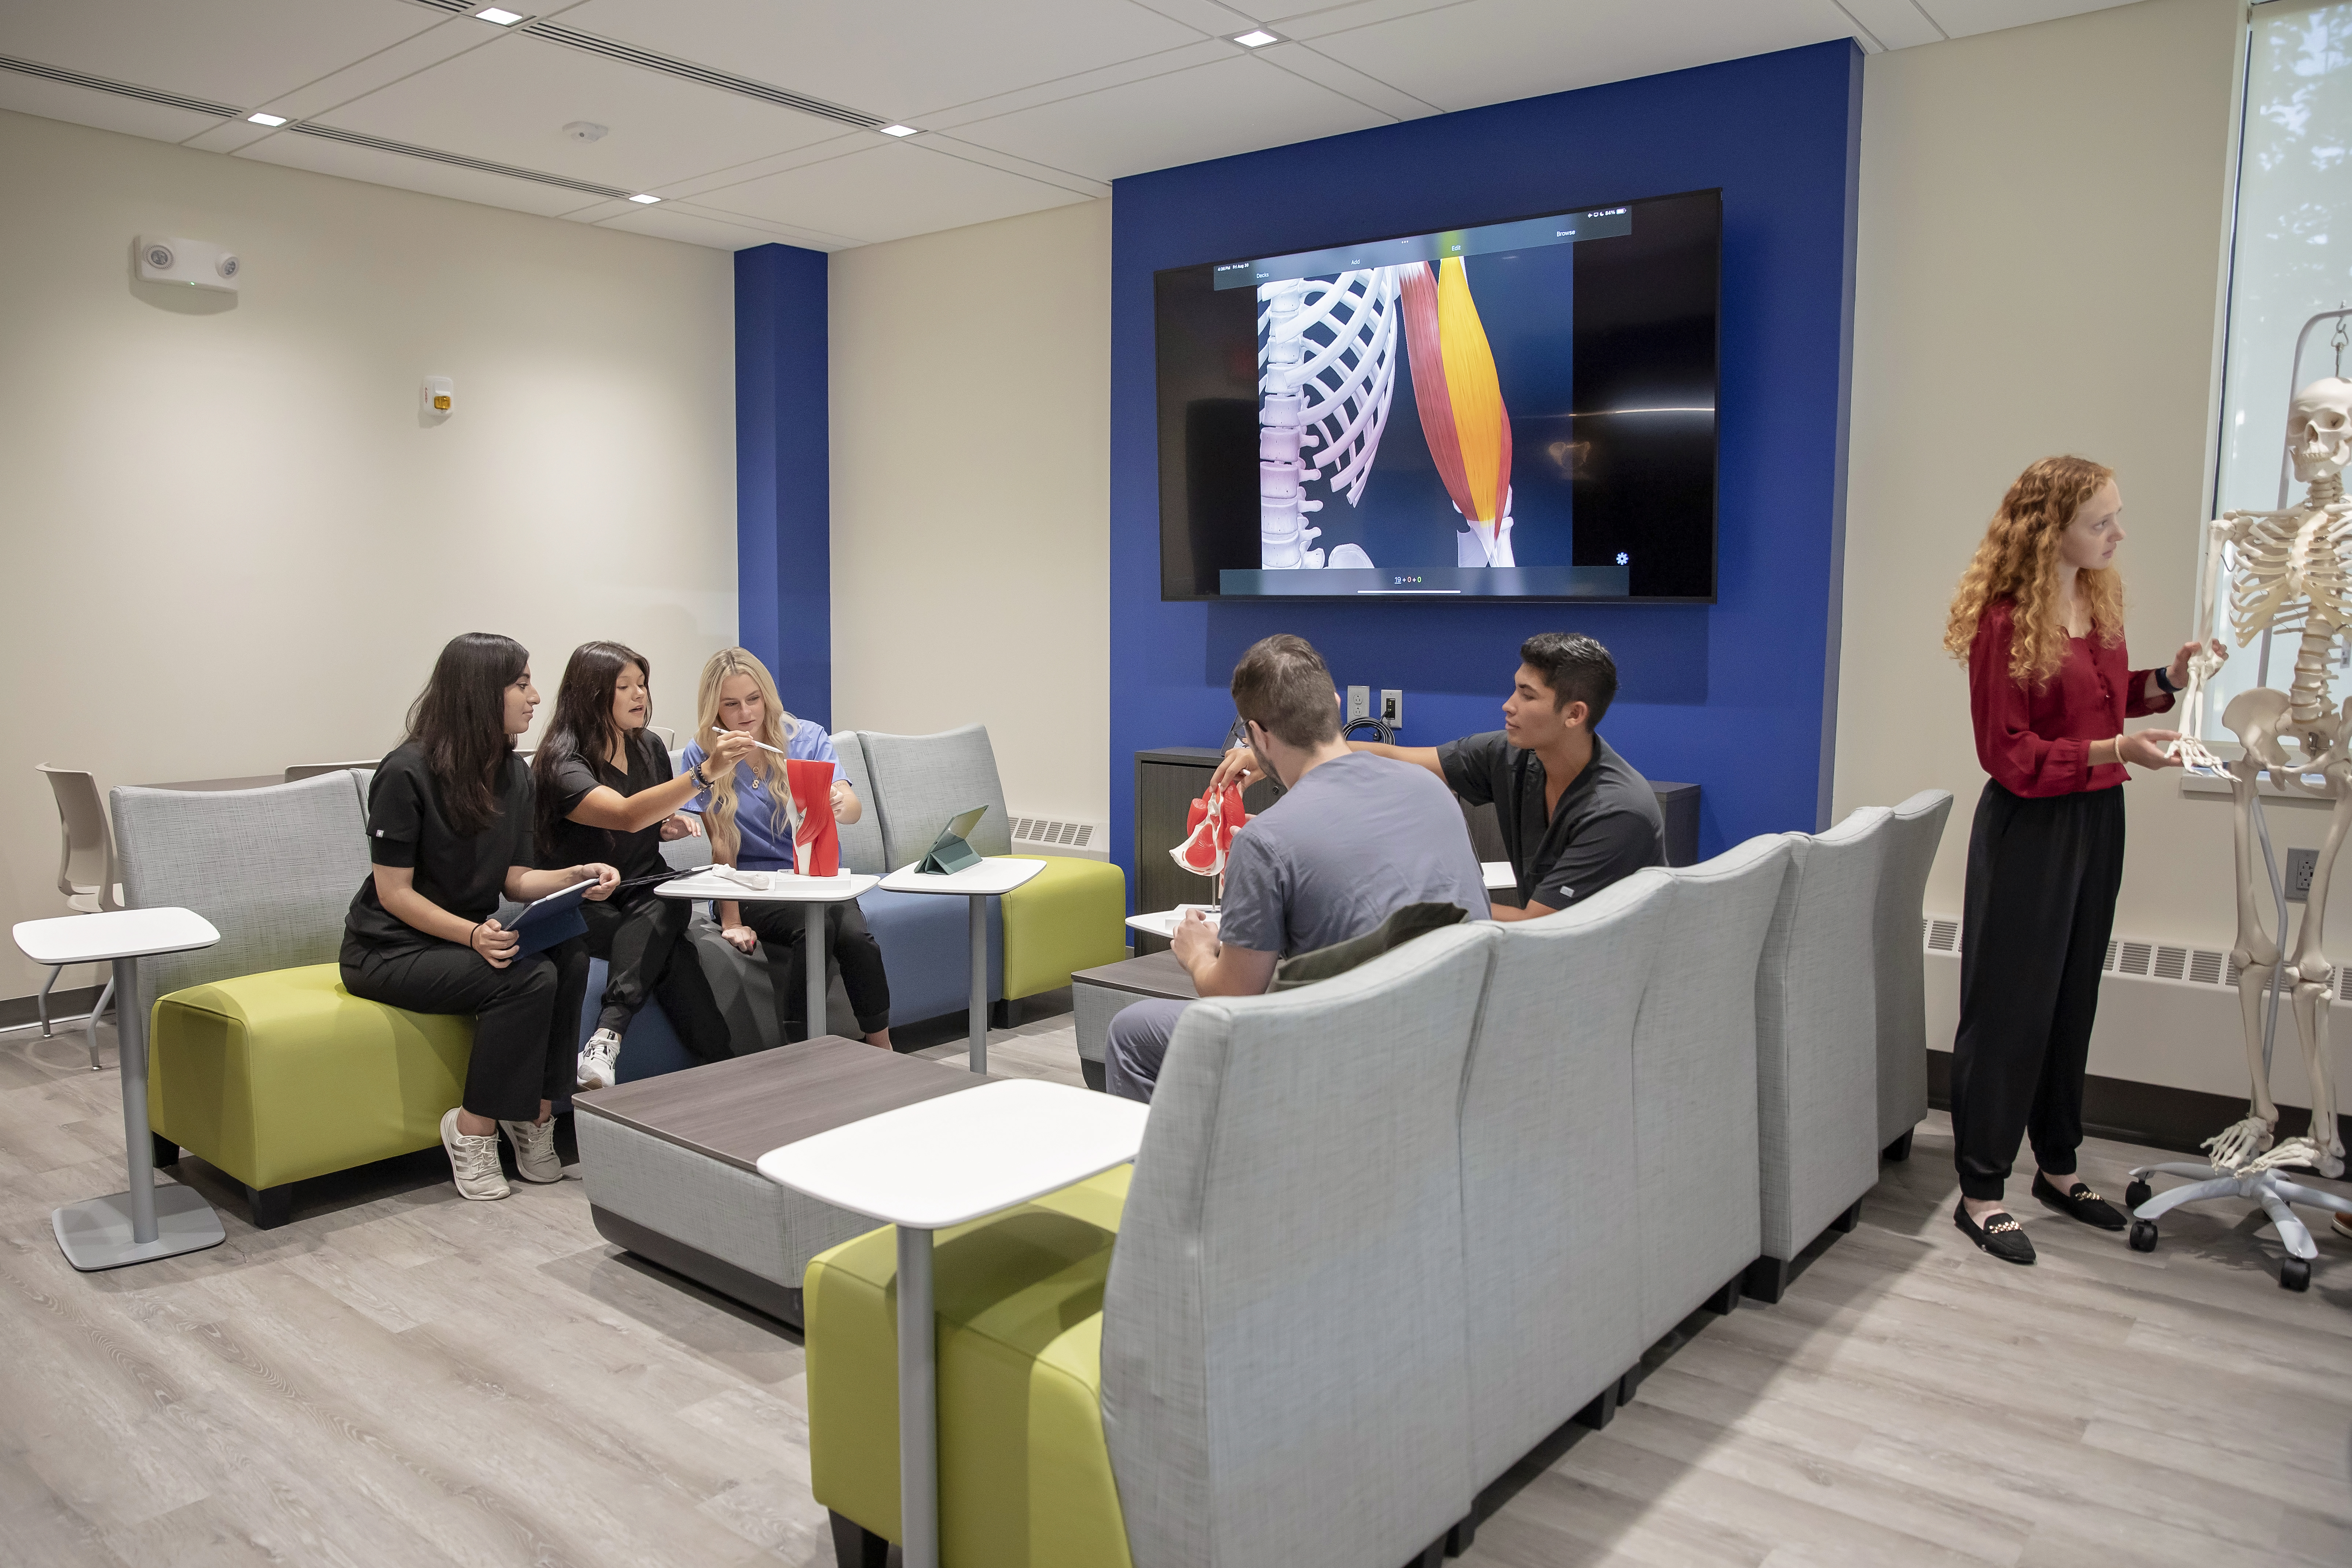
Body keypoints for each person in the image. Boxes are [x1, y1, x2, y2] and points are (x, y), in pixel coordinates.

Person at [1942, 455, 2221, 1265]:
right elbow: (2008, 751)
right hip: (2032, 823)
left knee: (2072, 995)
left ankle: (2056, 1165)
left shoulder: (2094, 601)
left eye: (2115, 517)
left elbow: (2100, 698)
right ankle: (1981, 1187)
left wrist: (2167, 679)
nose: (2117, 533)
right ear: (2049, 527)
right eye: (2102, 520)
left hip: (2098, 812)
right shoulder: (2003, 621)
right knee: (2009, 1007)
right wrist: (2113, 746)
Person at [1105, 634, 1490, 1103]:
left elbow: (1234, 1000)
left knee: (1132, 1031)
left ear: (1258, 735)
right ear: (1333, 704)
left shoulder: (1265, 841)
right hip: (1461, 1035)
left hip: (1345, 1058)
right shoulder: (1432, 790)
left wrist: (1197, 952)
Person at [341, 633, 620, 1202]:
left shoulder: (511, 773)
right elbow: (393, 893)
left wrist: (576, 875)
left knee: (569, 950)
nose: (535, 696)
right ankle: (472, 1128)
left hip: (465, 939)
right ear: (478, 692)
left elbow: (514, 878)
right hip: (388, 948)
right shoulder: (406, 771)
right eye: (520, 684)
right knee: (526, 979)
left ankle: (537, 1116)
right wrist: (472, 934)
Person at [1211, 632, 1664, 920]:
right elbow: (1397, 756)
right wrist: (1281, 749)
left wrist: (1402, 906)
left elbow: (1540, 926)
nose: (1508, 704)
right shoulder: (1510, 755)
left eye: (1527, 695)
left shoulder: (1619, 812)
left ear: (1574, 713)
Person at [533, 641, 760, 1088]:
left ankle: (607, 1038)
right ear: (592, 694)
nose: (640, 695)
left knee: (673, 900)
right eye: (625, 687)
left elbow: (645, 819)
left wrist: (666, 827)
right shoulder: (563, 763)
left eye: (642, 684)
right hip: (584, 897)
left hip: (643, 887)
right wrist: (703, 772)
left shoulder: (649, 745)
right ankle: (719, 1063)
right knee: (670, 949)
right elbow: (624, 813)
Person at [678, 648, 895, 1048]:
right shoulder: (704, 754)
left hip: (814, 877)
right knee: (815, 929)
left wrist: (840, 802)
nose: (745, 713)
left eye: (753, 699)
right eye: (731, 704)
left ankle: (881, 1046)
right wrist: (731, 919)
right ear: (715, 708)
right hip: (749, 885)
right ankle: (802, 1049)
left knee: (855, 937)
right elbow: (721, 843)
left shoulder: (806, 737)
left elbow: (851, 807)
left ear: (767, 697)